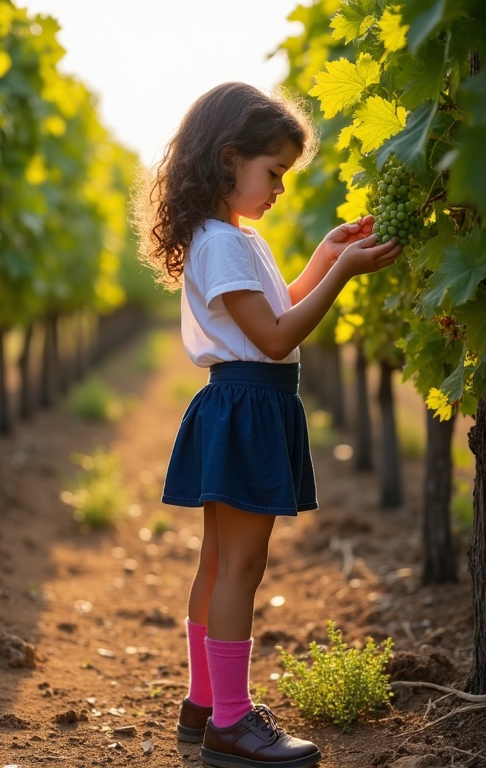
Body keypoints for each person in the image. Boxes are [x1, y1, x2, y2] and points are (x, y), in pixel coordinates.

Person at [135, 82, 401, 768]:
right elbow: (276, 337)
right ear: (229, 159)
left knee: (220, 563)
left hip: (241, 403)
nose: (280, 187)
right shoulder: (223, 243)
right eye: (273, 172)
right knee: (241, 567)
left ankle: (204, 705)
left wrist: (322, 256)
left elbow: (272, 310)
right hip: (250, 402)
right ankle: (229, 721)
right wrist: (341, 272)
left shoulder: (231, 237)